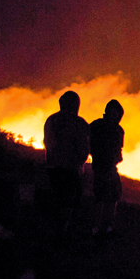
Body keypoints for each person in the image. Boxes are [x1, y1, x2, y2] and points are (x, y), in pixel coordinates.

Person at [43, 90, 90, 235]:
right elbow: (85, 147)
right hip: (71, 169)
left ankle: (52, 231)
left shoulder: (52, 120)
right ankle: (63, 232)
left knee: (55, 200)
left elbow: (48, 142)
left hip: (53, 168)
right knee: (69, 202)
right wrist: (79, 163)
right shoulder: (80, 123)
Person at [89, 99, 125, 237]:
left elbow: (118, 148)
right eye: (113, 111)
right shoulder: (101, 126)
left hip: (107, 165)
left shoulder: (115, 129)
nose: (115, 115)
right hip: (103, 165)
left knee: (112, 195)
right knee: (103, 196)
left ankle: (103, 226)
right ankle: (99, 226)